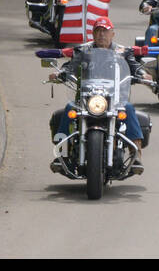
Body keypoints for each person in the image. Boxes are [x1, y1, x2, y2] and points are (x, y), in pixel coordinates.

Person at [47, 17, 149, 173]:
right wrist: (61, 73)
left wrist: (143, 74)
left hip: (115, 99)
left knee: (128, 108)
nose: (102, 35)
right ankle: (61, 154)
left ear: (112, 34)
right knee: (69, 109)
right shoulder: (83, 51)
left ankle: (136, 156)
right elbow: (70, 67)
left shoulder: (122, 52)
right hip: (86, 99)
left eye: (105, 31)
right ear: (93, 34)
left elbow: (134, 67)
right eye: (98, 31)